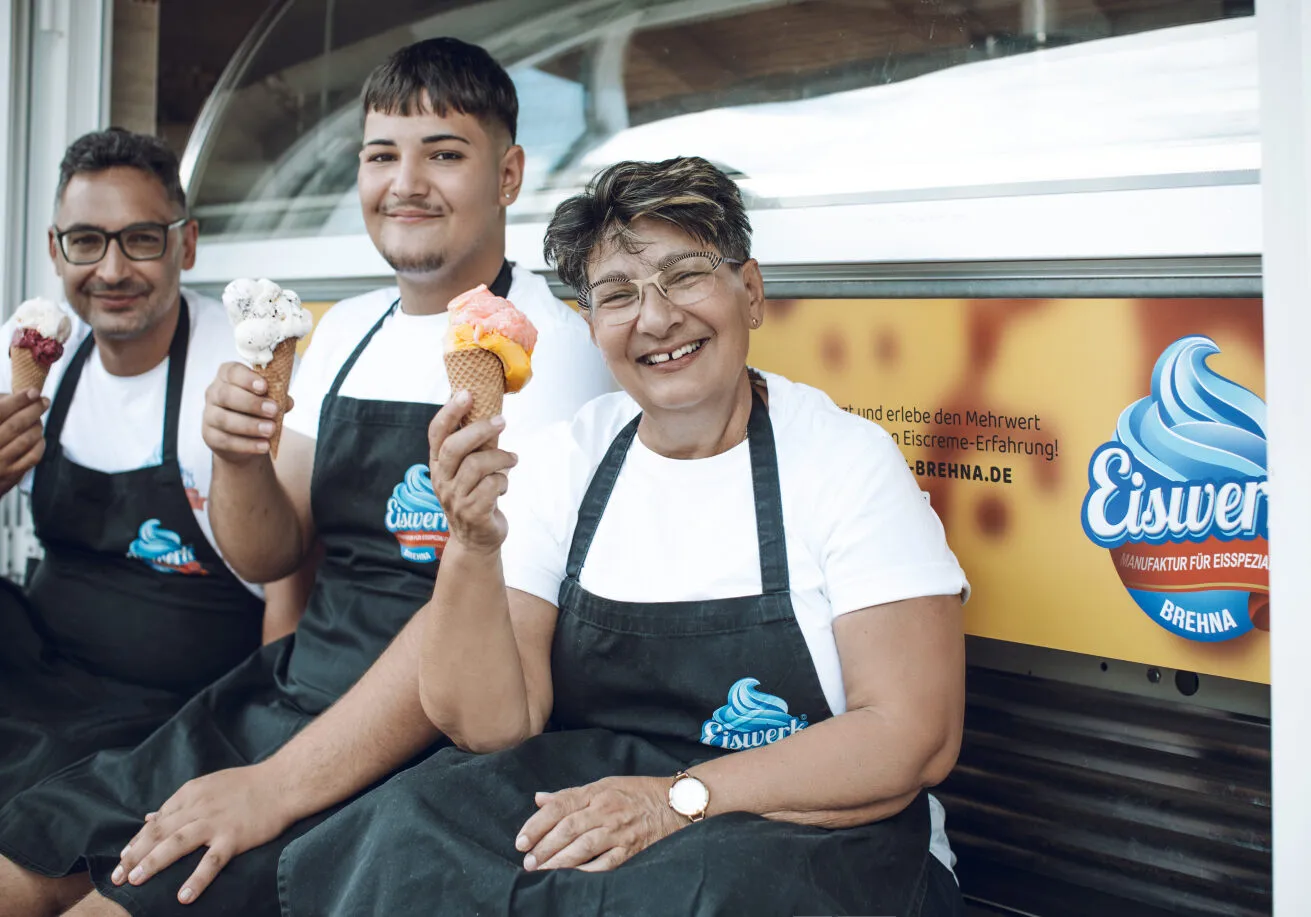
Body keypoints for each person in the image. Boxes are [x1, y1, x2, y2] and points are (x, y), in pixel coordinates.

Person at [0, 39, 613, 917]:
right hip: (286, 694)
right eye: (379, 155)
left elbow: (483, 616)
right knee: (24, 864)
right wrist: (238, 458)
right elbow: (274, 546)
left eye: (444, 152)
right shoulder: (343, 330)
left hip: (423, 745)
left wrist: (276, 786)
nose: (405, 182)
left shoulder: (549, 348)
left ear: (508, 174)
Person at [276, 155, 970, 916]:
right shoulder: (569, 458)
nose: (656, 316)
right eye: (618, 294)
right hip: (599, 809)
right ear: (590, 324)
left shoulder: (845, 462)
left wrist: (676, 799)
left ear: (751, 292)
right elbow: (491, 723)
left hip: (804, 835)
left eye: (684, 276)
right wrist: (471, 546)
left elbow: (911, 734)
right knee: (404, 829)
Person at [0, 128, 307, 811]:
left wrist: (265, 762)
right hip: (38, 677)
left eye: (140, 238)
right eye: (85, 240)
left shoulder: (240, 372)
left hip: (173, 715)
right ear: (56, 250)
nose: (111, 270)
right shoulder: (33, 355)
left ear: (185, 244)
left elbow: (290, 580)